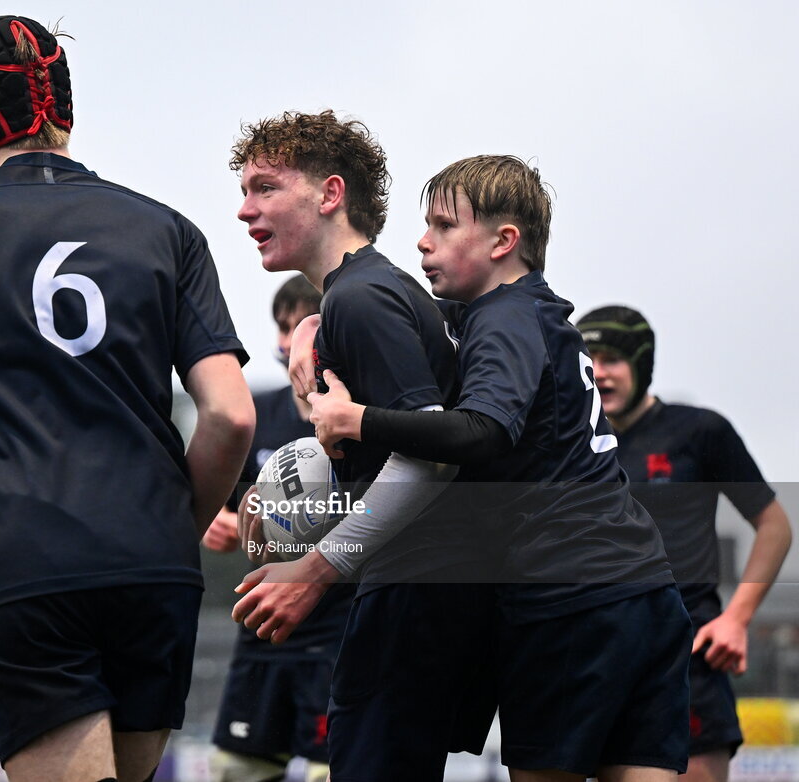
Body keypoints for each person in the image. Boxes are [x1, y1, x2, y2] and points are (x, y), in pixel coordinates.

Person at [0, 16, 254, 782]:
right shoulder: (168, 231)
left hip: (24, 560)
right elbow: (230, 414)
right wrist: (171, 526)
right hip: (151, 565)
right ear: (63, 107)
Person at [300, 155, 692, 782]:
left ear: (503, 242)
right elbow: (423, 323)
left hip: (568, 596)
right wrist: (312, 327)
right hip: (646, 588)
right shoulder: (534, 311)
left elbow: (481, 430)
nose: (422, 241)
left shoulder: (503, 317)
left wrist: (360, 420)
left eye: (444, 226)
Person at [228, 110, 496, 782]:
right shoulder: (359, 292)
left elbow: (431, 455)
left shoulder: (362, 299)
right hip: (424, 590)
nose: (243, 209)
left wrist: (312, 573)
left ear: (329, 195)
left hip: (418, 593)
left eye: (264, 187)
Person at [576, 305, 793, 782]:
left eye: (612, 358)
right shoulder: (573, 444)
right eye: (589, 358)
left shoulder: (699, 431)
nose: (599, 371)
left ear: (643, 364)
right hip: (598, 659)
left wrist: (736, 618)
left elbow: (775, 526)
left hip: (689, 656)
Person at [204, 274, 347, 782]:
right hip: (263, 628)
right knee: (236, 769)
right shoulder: (255, 413)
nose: (287, 342)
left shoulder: (356, 419)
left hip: (339, 631)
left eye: (300, 326)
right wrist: (218, 523)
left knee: (326, 772)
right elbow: (223, 505)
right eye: (281, 327)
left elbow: (387, 507)